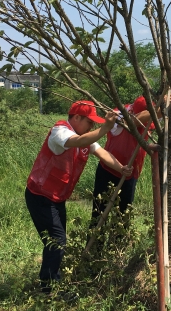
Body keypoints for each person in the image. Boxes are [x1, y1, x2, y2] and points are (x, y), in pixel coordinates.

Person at [24, 100, 133, 294]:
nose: (91, 126)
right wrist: (105, 128)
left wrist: (121, 168)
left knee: (56, 241)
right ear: (76, 117)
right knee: (57, 240)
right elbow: (78, 141)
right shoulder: (60, 131)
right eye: (89, 122)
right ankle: (49, 289)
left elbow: (102, 153)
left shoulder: (84, 138)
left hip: (56, 198)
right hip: (40, 195)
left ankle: (51, 282)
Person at [90, 75, 171, 226]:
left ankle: (119, 241)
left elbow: (164, 107)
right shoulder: (119, 116)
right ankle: (95, 240)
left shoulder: (149, 117)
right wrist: (159, 107)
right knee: (99, 213)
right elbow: (137, 119)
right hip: (108, 170)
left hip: (130, 173)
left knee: (123, 216)